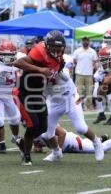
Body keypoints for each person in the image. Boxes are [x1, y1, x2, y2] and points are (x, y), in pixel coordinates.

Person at [13, 30, 66, 166]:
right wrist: (40, 70)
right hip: (24, 92)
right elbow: (18, 63)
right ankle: (26, 156)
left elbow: (55, 70)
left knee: (43, 127)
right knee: (33, 125)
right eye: (54, 47)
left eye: (59, 47)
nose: (57, 50)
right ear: (47, 45)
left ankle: (22, 143)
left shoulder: (59, 57)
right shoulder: (39, 51)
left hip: (38, 93)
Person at [42, 54, 104, 162]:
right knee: (47, 134)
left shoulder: (63, 73)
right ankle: (57, 152)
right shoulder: (40, 71)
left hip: (70, 99)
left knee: (81, 128)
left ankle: (96, 141)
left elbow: (58, 76)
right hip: (54, 102)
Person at [37, 124, 111, 153]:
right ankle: (101, 138)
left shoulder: (47, 121)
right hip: (66, 146)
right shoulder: (35, 129)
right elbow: (38, 144)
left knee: (100, 149)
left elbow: (62, 134)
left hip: (71, 142)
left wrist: (57, 151)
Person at [93, 30, 111, 125]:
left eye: (109, 37)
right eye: (106, 37)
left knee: (109, 95)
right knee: (97, 94)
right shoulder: (103, 45)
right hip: (101, 73)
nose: (107, 40)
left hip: (109, 72)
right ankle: (101, 114)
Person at [73, 37, 98, 110]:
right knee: (78, 91)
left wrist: (95, 73)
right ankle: (78, 106)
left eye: (87, 41)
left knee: (89, 91)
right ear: (82, 42)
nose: (85, 42)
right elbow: (74, 61)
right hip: (79, 74)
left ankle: (88, 106)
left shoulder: (93, 51)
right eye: (84, 41)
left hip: (89, 74)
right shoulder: (77, 51)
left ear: (89, 42)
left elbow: (95, 62)